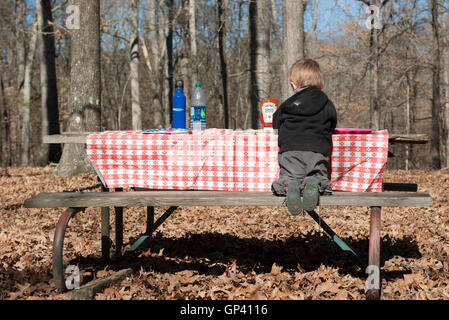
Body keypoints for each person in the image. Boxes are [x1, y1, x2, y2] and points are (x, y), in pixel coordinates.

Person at [271, 59, 337, 215]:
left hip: (291, 149)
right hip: (317, 149)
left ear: (294, 85)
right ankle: (315, 182)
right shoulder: (327, 103)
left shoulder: (288, 103)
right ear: (321, 84)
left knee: (289, 174)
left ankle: (289, 183)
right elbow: (332, 125)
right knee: (317, 173)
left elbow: (276, 125)